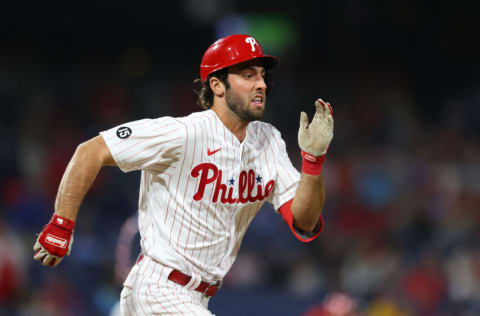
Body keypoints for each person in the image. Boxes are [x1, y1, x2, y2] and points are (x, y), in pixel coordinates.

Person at [33, 34, 334, 315]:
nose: (261, 84)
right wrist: (62, 224)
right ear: (217, 85)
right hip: (158, 289)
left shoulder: (269, 141)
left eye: (262, 75)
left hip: (196, 297)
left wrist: (313, 161)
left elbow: (304, 220)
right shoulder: (184, 133)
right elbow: (91, 151)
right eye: (247, 75)